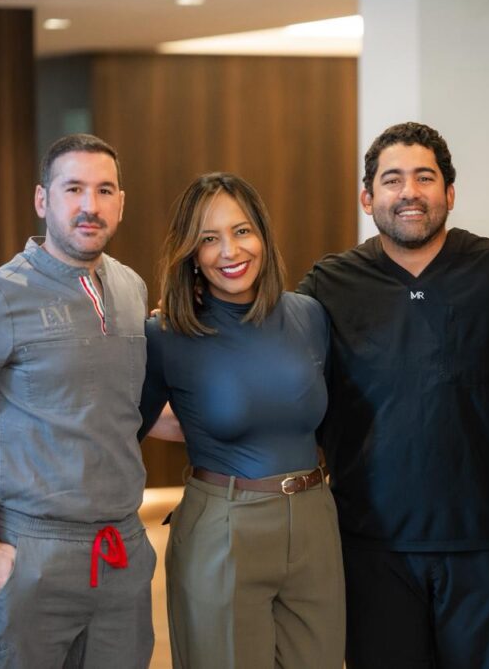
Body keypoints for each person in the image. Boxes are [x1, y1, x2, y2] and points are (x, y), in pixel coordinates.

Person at [296, 122, 489, 668]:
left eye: (424, 177)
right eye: (392, 179)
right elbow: (270, 353)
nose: (409, 191)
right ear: (368, 197)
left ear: (449, 194)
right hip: (370, 544)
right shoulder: (328, 285)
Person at [0, 134, 156, 668]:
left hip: (122, 552)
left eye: (103, 190)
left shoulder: (132, 289)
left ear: (121, 202)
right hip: (30, 554)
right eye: (73, 189)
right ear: (43, 200)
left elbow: (127, 406)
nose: (89, 205)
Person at [138, 172, 344, 669]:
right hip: (223, 530)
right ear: (191, 252)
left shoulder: (310, 317)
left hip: (315, 520)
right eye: (209, 238)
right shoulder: (166, 334)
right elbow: (127, 425)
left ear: (264, 236)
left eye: (242, 231)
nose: (229, 251)